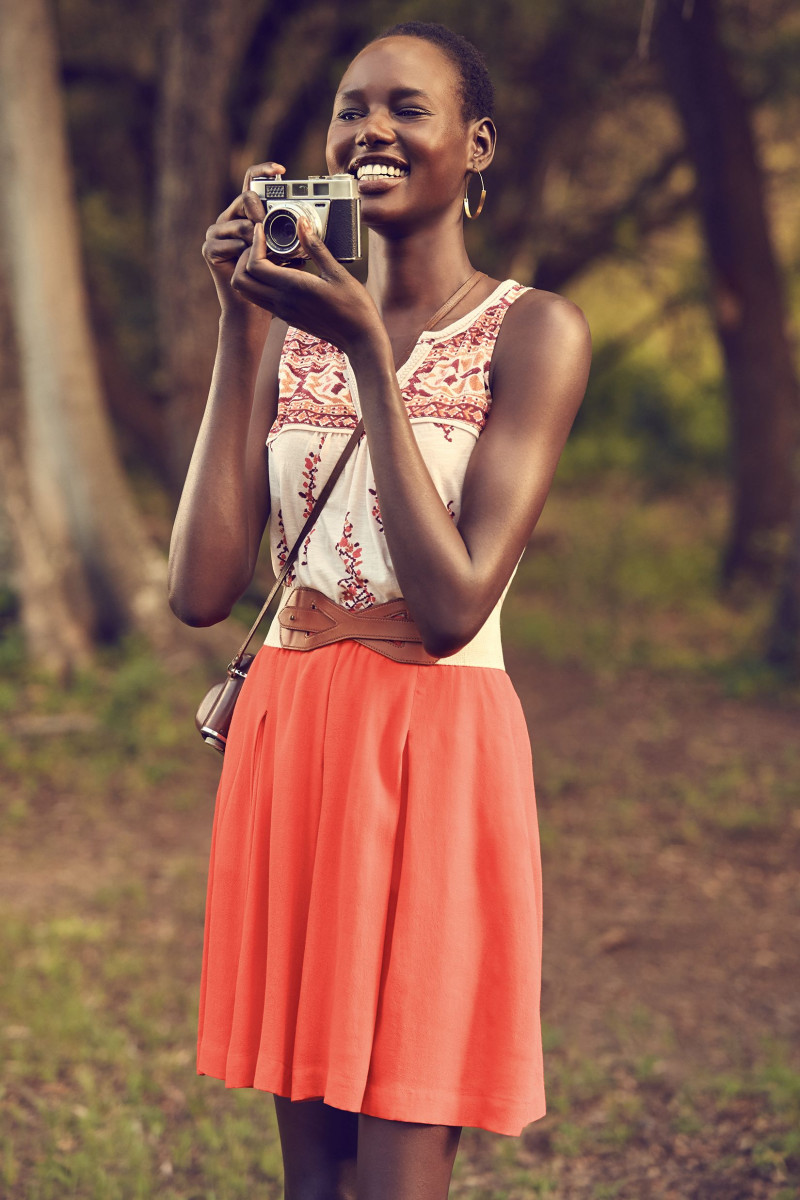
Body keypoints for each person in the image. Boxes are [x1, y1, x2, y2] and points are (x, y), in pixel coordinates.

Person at [168, 19, 591, 1200]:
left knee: (398, 1158)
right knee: (315, 1175)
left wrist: (364, 351)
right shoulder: (285, 331)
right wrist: (238, 323)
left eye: (407, 108)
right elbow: (202, 589)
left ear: (477, 144)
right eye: (351, 108)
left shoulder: (535, 331)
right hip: (292, 739)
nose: (371, 131)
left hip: (435, 748)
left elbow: (456, 604)